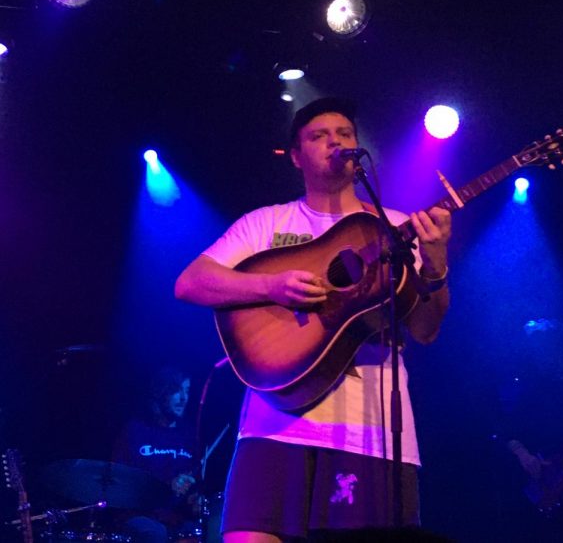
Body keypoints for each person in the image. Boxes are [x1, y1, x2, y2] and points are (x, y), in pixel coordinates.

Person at [175, 96, 452, 543]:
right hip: (274, 425)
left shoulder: (396, 228)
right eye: (319, 136)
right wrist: (270, 287)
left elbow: (425, 330)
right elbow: (191, 283)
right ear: (296, 157)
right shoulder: (266, 224)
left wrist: (436, 262)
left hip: (370, 432)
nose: (335, 142)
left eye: (344, 134)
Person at [112, 365, 200, 543]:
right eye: (176, 390)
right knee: (156, 533)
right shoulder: (135, 431)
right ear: (160, 393)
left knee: (197, 532)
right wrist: (166, 486)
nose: (184, 398)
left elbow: (196, 488)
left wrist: (195, 500)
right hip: (139, 515)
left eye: (187, 390)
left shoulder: (191, 435)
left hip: (176, 518)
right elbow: (118, 484)